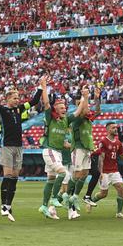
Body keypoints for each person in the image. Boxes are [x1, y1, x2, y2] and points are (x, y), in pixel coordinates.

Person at [0, 76, 44, 222]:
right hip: (7, 146)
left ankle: (9, 205)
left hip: (19, 146)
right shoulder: (2, 110)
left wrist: (41, 87)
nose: (17, 100)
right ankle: (3, 205)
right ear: (7, 99)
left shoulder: (19, 109)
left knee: (15, 177)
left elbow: (34, 101)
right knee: (8, 175)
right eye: (14, 98)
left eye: (18, 98)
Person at [66, 85, 101, 220]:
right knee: (77, 175)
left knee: (85, 174)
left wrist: (97, 98)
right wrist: (85, 97)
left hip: (87, 149)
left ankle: (73, 198)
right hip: (78, 149)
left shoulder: (88, 119)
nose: (89, 110)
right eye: (86, 108)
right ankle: (69, 202)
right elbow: (82, 111)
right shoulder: (78, 119)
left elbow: (97, 111)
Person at [85, 122, 123, 218]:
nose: (116, 129)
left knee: (121, 189)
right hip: (105, 172)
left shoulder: (118, 143)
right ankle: (91, 202)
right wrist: (101, 172)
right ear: (108, 130)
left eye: (116, 127)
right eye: (113, 128)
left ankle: (119, 213)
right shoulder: (103, 142)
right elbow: (101, 158)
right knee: (104, 194)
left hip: (114, 170)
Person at [38, 77, 70, 220]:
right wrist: (44, 86)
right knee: (63, 173)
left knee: (51, 179)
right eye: (61, 107)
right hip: (50, 151)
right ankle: (54, 199)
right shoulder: (50, 117)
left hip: (57, 152)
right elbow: (45, 103)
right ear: (55, 108)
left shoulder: (64, 121)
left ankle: (44, 206)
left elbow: (65, 143)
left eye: (65, 107)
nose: (64, 109)